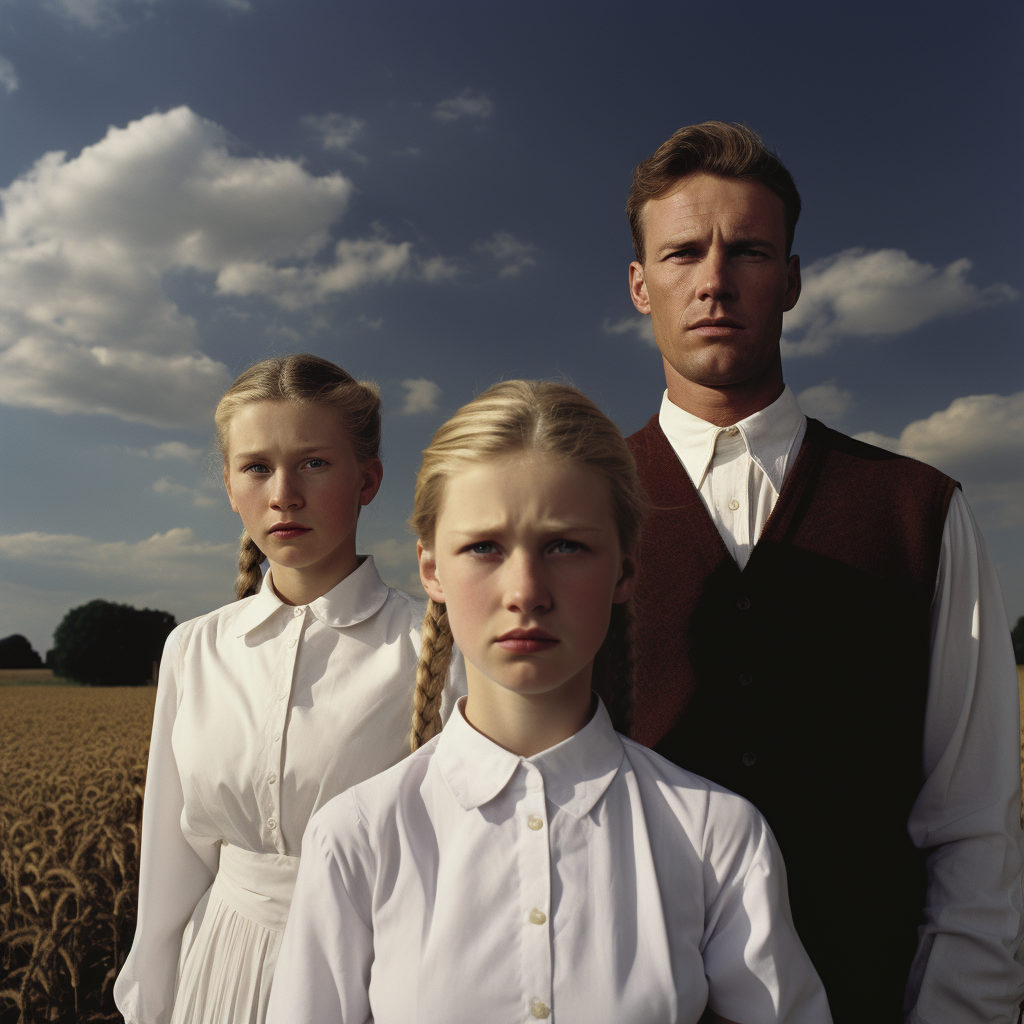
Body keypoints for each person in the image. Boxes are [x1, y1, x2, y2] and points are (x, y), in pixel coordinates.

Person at [266, 380, 832, 1024]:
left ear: (624, 570)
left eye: (565, 546)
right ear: (431, 569)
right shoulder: (356, 839)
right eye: (483, 547)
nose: (526, 591)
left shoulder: (717, 837)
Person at [623, 121, 1024, 1021]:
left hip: (868, 992)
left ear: (793, 280)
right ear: (642, 287)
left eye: (751, 251)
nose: (716, 281)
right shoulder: (572, 513)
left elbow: (974, 818)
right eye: (684, 253)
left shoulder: (921, 509)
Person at [114, 354, 465, 1024]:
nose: (283, 493)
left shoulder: (436, 646)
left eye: (313, 463)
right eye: (256, 467)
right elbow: (172, 865)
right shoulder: (193, 649)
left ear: (369, 479)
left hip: (374, 979)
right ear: (227, 484)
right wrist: (148, 1007)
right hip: (217, 969)